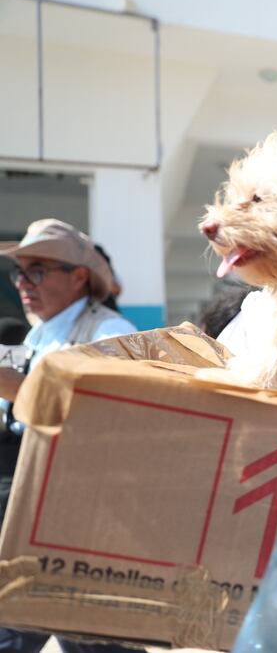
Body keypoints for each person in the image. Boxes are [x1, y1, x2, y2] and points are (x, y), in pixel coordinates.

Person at [0, 219, 137, 653]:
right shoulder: (34, 338)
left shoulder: (110, 335)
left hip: (73, 523)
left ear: (79, 276)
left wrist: (19, 390)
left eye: (37, 270)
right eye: (20, 272)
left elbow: (115, 423)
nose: (24, 283)